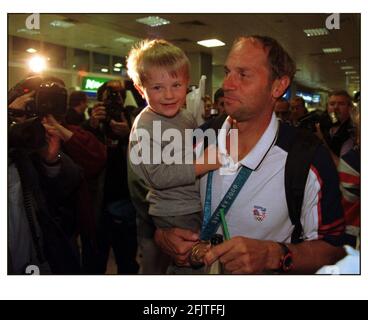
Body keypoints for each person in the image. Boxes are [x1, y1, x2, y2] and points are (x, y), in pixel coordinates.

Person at [155, 35, 346, 274]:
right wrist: (163, 236)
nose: (227, 84)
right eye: (227, 72)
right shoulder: (197, 140)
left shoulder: (307, 158)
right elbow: (162, 203)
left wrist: (273, 255)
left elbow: (333, 250)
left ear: (278, 86)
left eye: (243, 75)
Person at [127, 39, 219, 274]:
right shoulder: (145, 125)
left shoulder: (185, 116)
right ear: (140, 89)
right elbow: (157, 175)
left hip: (193, 202)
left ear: (188, 84)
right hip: (173, 209)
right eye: (157, 87)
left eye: (176, 85)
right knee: (190, 264)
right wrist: (203, 164)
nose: (168, 95)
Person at [82, 79, 139, 274]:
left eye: (119, 96)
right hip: (96, 205)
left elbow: (142, 160)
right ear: (99, 102)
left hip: (125, 203)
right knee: (93, 264)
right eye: (110, 97)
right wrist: (92, 127)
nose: (115, 101)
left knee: (127, 262)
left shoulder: (134, 120)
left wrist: (128, 135)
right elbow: (82, 159)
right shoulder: (89, 124)